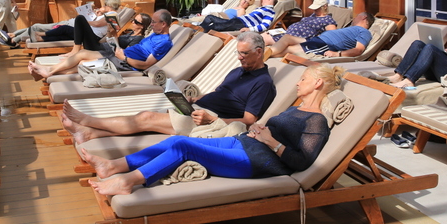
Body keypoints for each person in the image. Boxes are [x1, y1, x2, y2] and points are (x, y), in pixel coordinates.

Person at [82, 63, 343, 196]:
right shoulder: (295, 109)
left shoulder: (317, 121)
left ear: (317, 83)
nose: (298, 83)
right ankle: (114, 166)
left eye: (303, 79)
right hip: (244, 143)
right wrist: (262, 131)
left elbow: (301, 161)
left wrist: (271, 141)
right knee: (176, 143)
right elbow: (271, 130)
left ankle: (128, 182)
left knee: (184, 146)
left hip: (258, 161)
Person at [61, 31, 276, 142]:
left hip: (210, 122)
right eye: (237, 52)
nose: (239, 57)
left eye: (244, 54)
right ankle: (89, 135)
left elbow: (249, 121)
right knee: (148, 121)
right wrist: (195, 100)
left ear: (259, 52)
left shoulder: (263, 83)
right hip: (198, 110)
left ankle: (88, 121)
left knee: (146, 118)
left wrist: (212, 119)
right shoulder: (238, 70)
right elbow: (219, 93)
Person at [28, 9, 173, 79]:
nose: (152, 25)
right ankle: (48, 71)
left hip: (123, 63)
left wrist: (124, 58)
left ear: (164, 24)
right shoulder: (155, 34)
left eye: (154, 22)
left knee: (83, 63)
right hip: (117, 55)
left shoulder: (164, 42)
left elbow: (146, 65)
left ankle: (48, 72)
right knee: (82, 54)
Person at [0, 0, 122, 47]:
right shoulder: (107, 14)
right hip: (72, 24)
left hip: (75, 27)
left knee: (37, 26)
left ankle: (14, 39)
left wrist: (84, 21)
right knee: (38, 26)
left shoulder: (111, 16)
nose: (103, 7)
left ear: (110, 7)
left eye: (105, 6)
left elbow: (97, 24)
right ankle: (13, 36)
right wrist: (98, 13)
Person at [265, 0, 337, 57]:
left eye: (317, 8)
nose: (314, 10)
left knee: (285, 41)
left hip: (301, 38)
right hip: (288, 33)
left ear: (325, 7)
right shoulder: (314, 15)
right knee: (265, 36)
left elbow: (332, 37)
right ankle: (257, 54)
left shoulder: (328, 20)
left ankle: (263, 56)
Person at [298, 12, 374, 58]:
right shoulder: (351, 28)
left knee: (290, 50)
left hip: (324, 44)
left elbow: (358, 50)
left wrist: (337, 54)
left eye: (357, 15)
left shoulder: (364, 32)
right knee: (287, 39)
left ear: (364, 17)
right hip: (318, 39)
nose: (354, 18)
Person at [200, 0, 278, 33]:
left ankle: (198, 33)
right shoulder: (261, 9)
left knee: (215, 26)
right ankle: (197, 29)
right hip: (237, 21)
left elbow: (265, 26)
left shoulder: (270, 11)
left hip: (242, 24)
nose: (263, 0)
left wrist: (249, 29)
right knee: (209, 17)